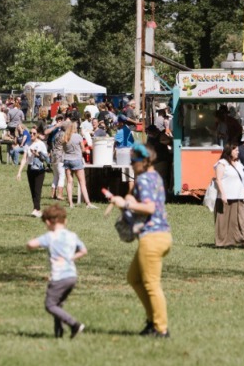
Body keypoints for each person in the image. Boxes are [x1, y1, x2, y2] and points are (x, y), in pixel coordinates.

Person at [106, 143, 172, 338]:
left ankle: (161, 328)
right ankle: (152, 321)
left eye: (133, 161)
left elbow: (150, 208)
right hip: (161, 235)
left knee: (151, 284)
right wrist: (127, 201)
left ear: (144, 161)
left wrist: (125, 203)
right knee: (134, 278)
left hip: (152, 237)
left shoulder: (144, 180)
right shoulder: (154, 176)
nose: (131, 165)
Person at [25, 205, 88, 339]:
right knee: (58, 306)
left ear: (48, 222)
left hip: (59, 277)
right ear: (65, 221)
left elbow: (31, 244)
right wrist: (71, 258)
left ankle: (74, 324)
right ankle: (58, 334)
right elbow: (83, 251)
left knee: (50, 305)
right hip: (72, 276)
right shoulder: (72, 235)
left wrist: (29, 244)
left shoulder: (50, 236)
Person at [213, 143, 244, 249]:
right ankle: (223, 243)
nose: (238, 152)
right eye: (235, 150)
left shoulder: (239, 163)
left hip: (239, 196)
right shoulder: (222, 164)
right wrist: (223, 194)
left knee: (241, 219)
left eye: (238, 151)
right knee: (224, 221)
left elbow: (241, 180)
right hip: (227, 196)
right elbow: (218, 180)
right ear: (229, 151)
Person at [16, 126, 50, 217]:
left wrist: (37, 154)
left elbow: (46, 158)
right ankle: (37, 209)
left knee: (37, 190)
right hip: (30, 168)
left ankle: (36, 209)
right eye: (30, 133)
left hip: (39, 169)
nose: (31, 134)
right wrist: (19, 172)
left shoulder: (41, 144)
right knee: (32, 190)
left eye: (34, 133)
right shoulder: (28, 144)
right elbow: (24, 159)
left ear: (38, 134)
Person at [62, 121, 93, 208]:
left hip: (67, 160)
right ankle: (88, 203)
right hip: (77, 160)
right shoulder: (78, 136)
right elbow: (83, 149)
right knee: (82, 182)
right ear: (75, 129)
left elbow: (64, 149)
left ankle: (71, 203)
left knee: (69, 182)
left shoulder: (65, 136)